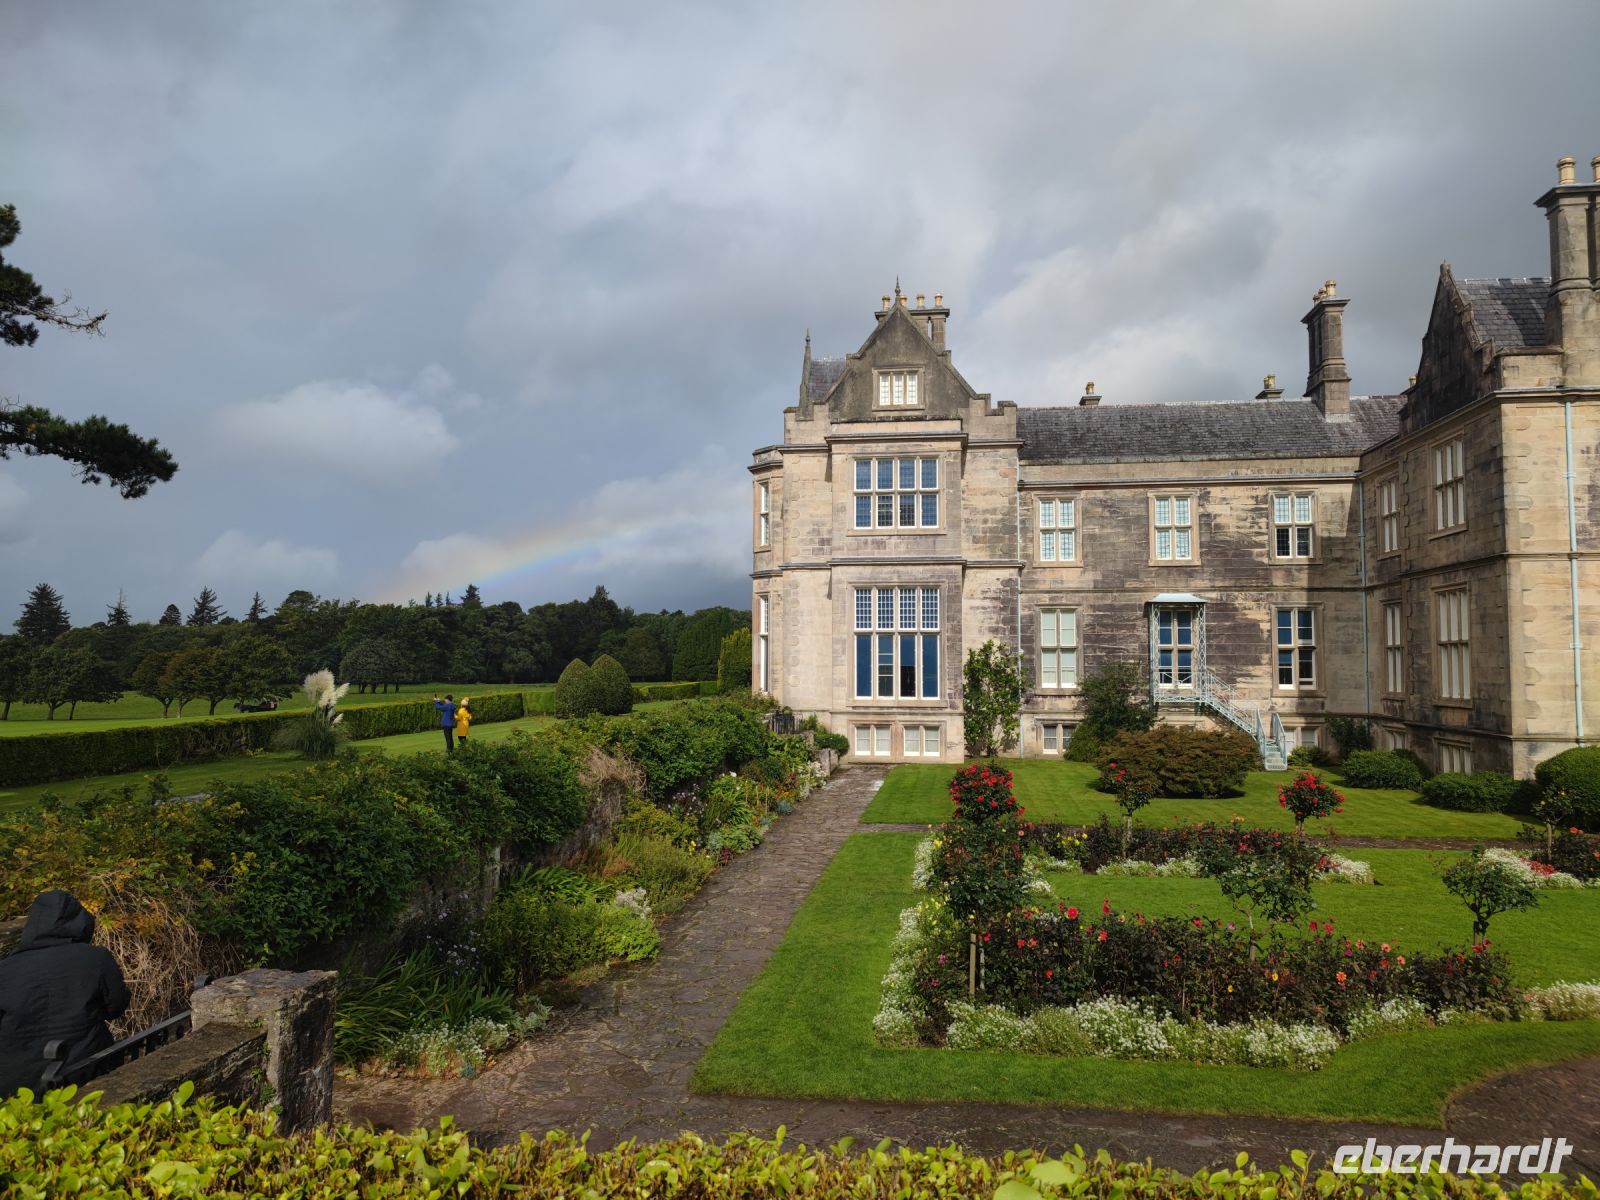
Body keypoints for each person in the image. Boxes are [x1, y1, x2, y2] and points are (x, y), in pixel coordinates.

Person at [0, 889, 130, 1096]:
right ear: (80, 922)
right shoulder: (95, 959)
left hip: (16, 1081)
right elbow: (116, 1005)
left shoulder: (6, 969)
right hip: (83, 1068)